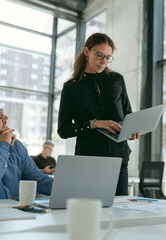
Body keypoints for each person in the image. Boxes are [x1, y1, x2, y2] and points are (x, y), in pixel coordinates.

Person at [57, 33, 140, 196]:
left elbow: (128, 115)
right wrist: (93, 124)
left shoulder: (117, 80)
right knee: (91, 212)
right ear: (87, 51)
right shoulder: (72, 87)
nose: (104, 61)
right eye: (99, 55)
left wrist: (132, 130)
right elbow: (63, 130)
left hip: (119, 158)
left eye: (108, 57)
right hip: (89, 160)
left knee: (120, 210)